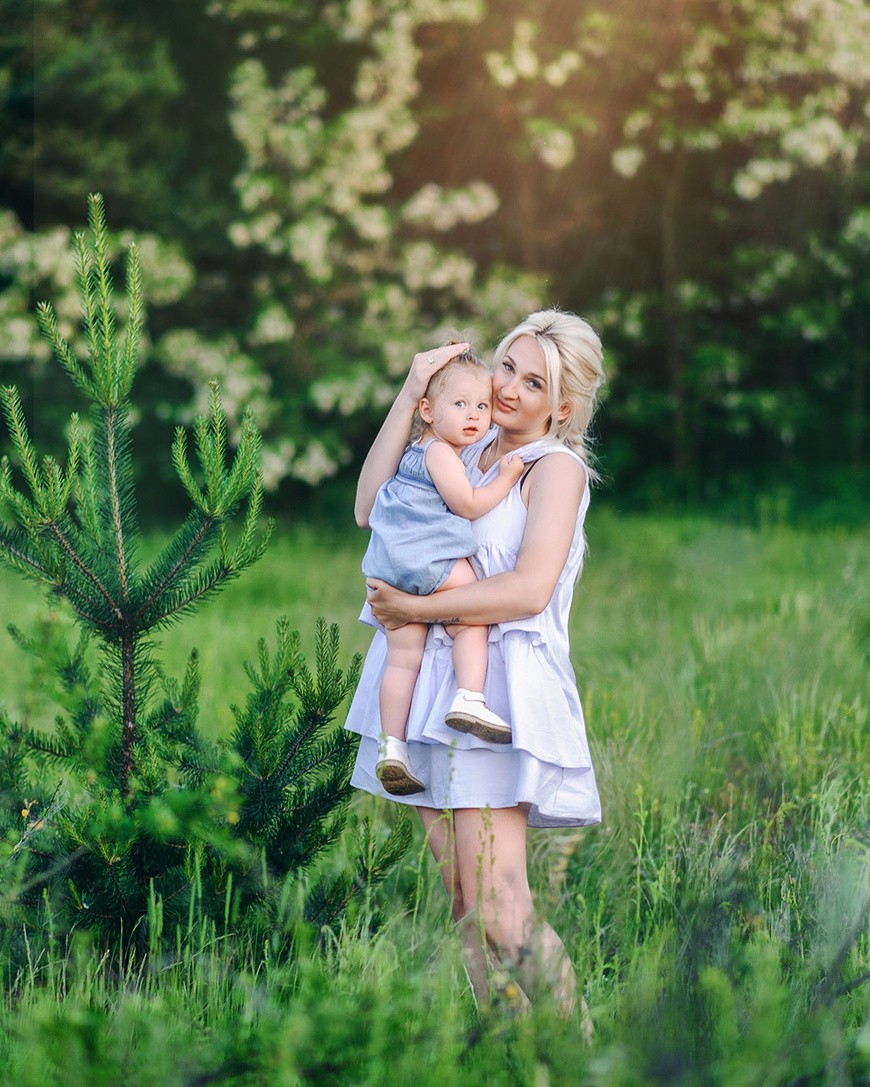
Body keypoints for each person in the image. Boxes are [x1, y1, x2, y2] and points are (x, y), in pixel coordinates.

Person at [346, 309, 605, 1021]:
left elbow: (528, 589)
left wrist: (411, 610)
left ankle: (577, 1050)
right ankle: (515, 1056)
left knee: (499, 905)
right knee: (464, 902)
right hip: (432, 681)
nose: (511, 388)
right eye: (507, 367)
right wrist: (411, 393)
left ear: (563, 405)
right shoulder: (467, 439)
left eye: (534, 381)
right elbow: (369, 506)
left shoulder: (556, 469)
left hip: (498, 687)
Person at [361, 345, 525, 796]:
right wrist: (506, 479)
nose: (474, 416)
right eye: (460, 405)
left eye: (482, 406)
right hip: (429, 561)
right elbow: (467, 505)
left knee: (402, 659)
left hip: (389, 567)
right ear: (427, 411)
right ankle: (470, 698)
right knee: (472, 617)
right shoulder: (440, 454)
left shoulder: (414, 450)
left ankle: (392, 747)